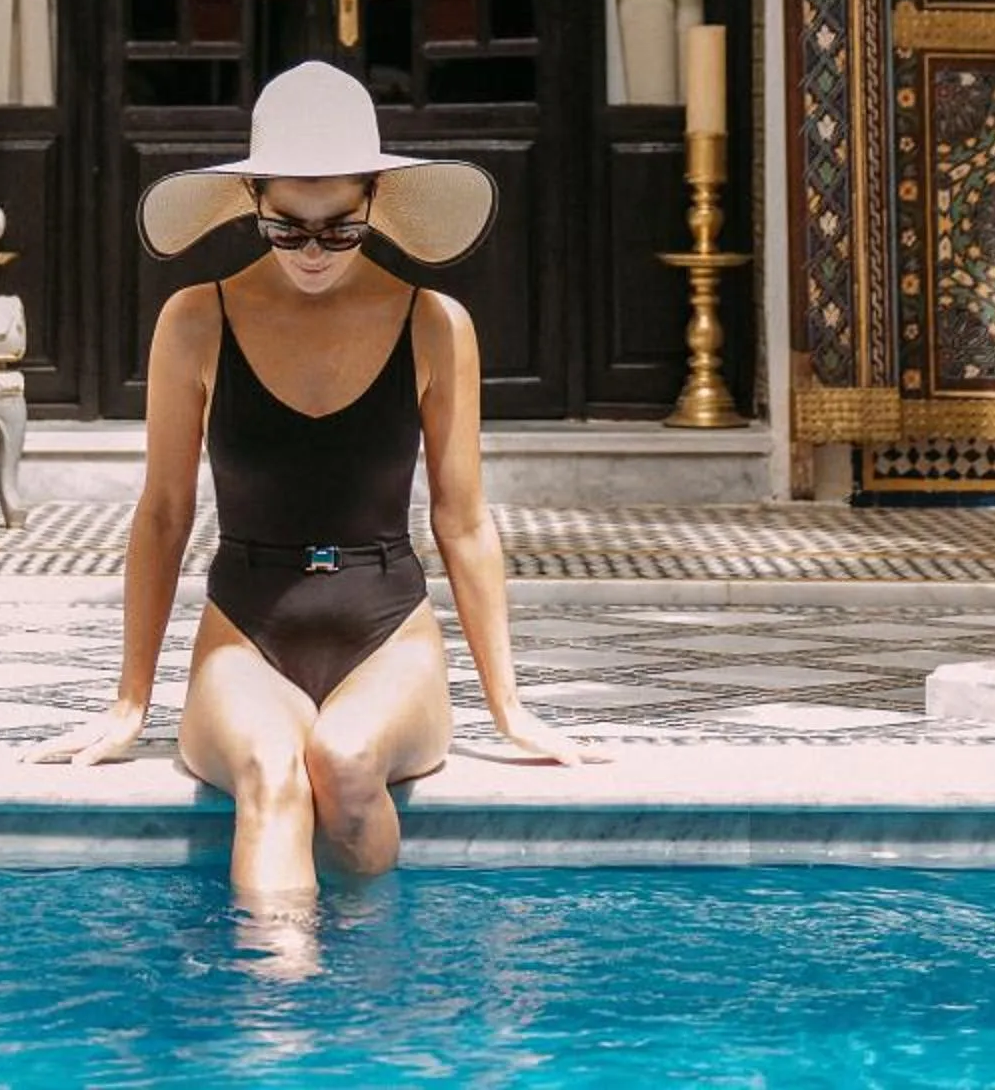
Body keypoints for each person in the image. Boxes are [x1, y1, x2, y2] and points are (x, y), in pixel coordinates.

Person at [34, 59, 595, 899]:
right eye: (286, 229)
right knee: (270, 772)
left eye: (339, 229)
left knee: (346, 760)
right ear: (253, 201)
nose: (313, 252)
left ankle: (366, 1004)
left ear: (374, 200)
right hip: (246, 630)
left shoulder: (436, 324)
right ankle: (277, 1015)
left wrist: (509, 706)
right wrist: (129, 703)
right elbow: (161, 515)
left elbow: (465, 522)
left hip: (388, 632)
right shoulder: (196, 319)